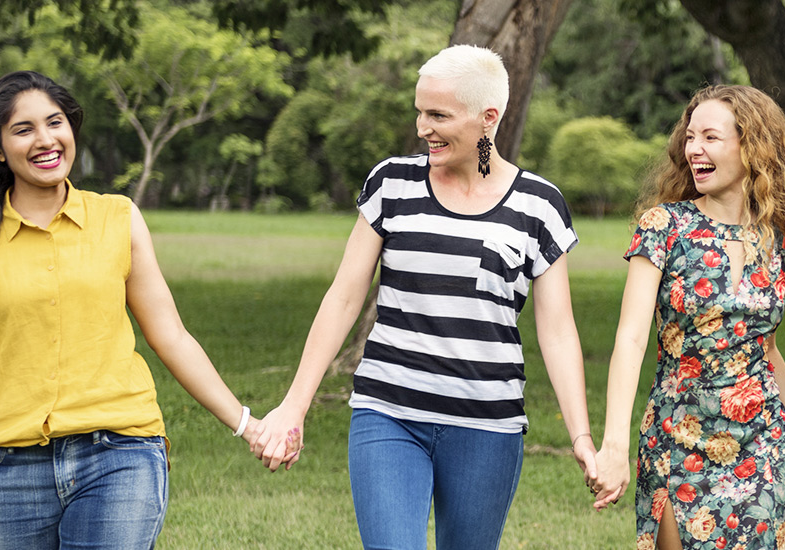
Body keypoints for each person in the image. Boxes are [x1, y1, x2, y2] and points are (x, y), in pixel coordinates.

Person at [0, 71, 264, 550]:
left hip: (119, 454)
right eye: (23, 129)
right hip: (7, 470)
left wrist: (246, 422)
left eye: (55, 123)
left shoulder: (119, 218)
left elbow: (170, 334)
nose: (45, 140)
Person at [249, 45, 597, 549]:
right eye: (419, 112)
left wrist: (581, 438)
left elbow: (559, 331)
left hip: (487, 426)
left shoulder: (539, 206)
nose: (422, 127)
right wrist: (293, 406)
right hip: (388, 410)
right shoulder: (392, 183)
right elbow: (345, 297)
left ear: (487, 119)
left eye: (438, 115)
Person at [585, 85, 785, 550]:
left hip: (762, 444)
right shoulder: (665, 226)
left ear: (751, 147)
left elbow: (766, 349)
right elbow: (631, 340)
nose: (694, 148)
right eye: (690, 137)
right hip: (680, 436)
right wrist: (613, 445)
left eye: (711, 138)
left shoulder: (778, 241)